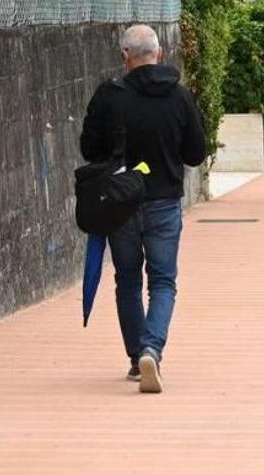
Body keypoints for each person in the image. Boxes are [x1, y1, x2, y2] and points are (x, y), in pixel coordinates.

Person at [80, 25, 206, 393]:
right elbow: (195, 154)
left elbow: (89, 149)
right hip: (164, 203)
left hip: (120, 205)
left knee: (128, 280)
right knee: (163, 281)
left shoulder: (109, 95)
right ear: (159, 52)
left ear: (125, 56)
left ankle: (137, 358)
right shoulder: (180, 97)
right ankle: (153, 348)